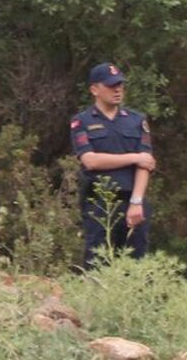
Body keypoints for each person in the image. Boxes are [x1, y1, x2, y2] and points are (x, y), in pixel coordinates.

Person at [71, 62, 155, 267]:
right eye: (111, 85)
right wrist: (133, 157)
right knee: (97, 263)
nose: (117, 90)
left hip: (132, 201)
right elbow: (90, 160)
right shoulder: (82, 121)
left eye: (120, 85)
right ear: (94, 89)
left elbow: (146, 163)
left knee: (135, 265)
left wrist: (136, 202)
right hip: (99, 202)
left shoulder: (137, 120)